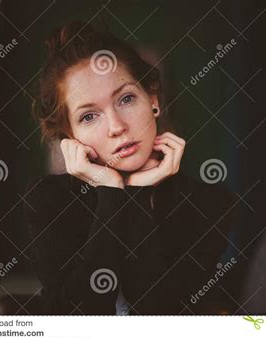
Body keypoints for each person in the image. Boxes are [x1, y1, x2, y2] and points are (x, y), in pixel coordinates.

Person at [24, 21, 237, 314]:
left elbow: (159, 314)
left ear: (152, 100)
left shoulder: (208, 204)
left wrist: (135, 194)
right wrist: (111, 190)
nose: (117, 127)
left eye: (126, 99)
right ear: (72, 137)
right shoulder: (48, 200)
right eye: (89, 117)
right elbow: (75, 317)